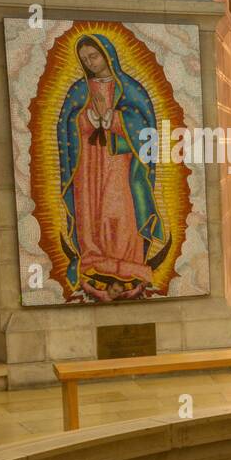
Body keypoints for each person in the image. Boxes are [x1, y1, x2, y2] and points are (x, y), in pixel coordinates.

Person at [56, 34, 168, 301]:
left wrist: (116, 120)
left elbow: (146, 126)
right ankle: (94, 261)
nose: (90, 63)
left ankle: (128, 264)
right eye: (85, 60)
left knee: (119, 209)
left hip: (120, 161)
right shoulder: (79, 90)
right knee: (90, 210)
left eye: (93, 56)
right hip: (87, 163)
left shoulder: (130, 88)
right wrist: (85, 119)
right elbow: (65, 125)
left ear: (107, 55)